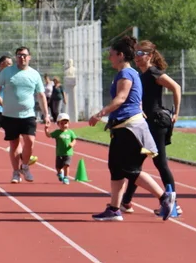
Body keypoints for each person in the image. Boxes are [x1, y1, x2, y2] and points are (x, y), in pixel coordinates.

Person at [87, 36, 174, 222]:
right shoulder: (130, 73)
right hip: (125, 126)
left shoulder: (126, 74)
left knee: (129, 169)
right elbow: (137, 100)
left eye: (111, 54)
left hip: (129, 128)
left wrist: (99, 114)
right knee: (116, 168)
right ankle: (114, 209)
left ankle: (163, 197)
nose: (109, 58)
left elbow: (121, 98)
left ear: (120, 55)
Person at [121, 41, 184, 215]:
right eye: (135, 53)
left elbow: (176, 87)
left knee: (160, 163)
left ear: (149, 55)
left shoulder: (154, 72)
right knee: (134, 163)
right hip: (146, 123)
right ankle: (126, 201)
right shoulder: (141, 75)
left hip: (156, 123)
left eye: (140, 53)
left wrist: (176, 112)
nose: (136, 57)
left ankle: (174, 203)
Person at [0, 46, 49, 183]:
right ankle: (16, 172)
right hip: (9, 115)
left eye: (24, 55)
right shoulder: (7, 72)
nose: (21, 58)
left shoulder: (34, 74)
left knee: (30, 141)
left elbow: (41, 95)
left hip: (28, 114)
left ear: (29, 57)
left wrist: (46, 114)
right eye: (19, 55)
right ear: (16, 57)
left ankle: (25, 166)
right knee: (14, 144)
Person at [45, 113, 76, 184]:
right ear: (58, 124)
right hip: (59, 153)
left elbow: (74, 140)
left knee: (66, 165)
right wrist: (46, 129)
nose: (64, 125)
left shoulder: (70, 132)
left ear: (68, 123)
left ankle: (66, 177)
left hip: (68, 152)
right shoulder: (57, 132)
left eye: (65, 123)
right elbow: (48, 135)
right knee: (58, 167)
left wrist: (72, 144)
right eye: (61, 123)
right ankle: (59, 173)